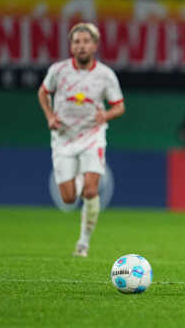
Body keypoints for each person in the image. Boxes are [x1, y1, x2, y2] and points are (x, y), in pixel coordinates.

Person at [37, 22, 125, 257]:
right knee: (68, 198)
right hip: (63, 138)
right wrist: (49, 116)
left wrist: (104, 115)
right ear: (71, 46)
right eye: (77, 42)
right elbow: (43, 92)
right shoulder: (59, 71)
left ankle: (83, 243)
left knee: (90, 190)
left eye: (86, 41)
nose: (81, 46)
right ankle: (78, 178)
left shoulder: (105, 75)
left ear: (94, 45)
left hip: (92, 136)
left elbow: (119, 107)